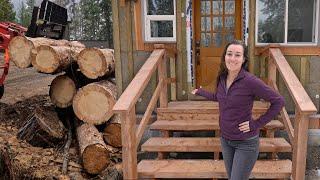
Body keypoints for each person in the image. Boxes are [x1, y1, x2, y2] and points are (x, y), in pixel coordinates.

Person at [191, 40, 284, 180]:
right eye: (229, 54)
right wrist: (201, 92)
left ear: (244, 59)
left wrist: (256, 124)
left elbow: (278, 101)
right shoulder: (222, 78)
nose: (232, 58)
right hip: (225, 139)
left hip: (245, 142)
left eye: (237, 55)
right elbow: (220, 97)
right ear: (224, 57)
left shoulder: (250, 81)